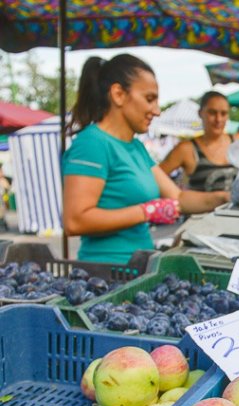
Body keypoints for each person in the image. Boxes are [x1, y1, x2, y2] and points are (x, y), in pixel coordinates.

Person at [62, 54, 228, 264]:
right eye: (150, 99)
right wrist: (146, 211)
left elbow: (177, 197)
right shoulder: (92, 143)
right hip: (105, 271)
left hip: (140, 266)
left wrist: (225, 198)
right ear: (118, 94)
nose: (157, 111)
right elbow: (75, 221)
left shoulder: (136, 147)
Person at [159, 91, 238, 193]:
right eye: (212, 113)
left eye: (223, 113)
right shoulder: (186, 149)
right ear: (200, 113)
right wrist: (175, 197)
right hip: (203, 209)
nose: (218, 119)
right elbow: (153, 180)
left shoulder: (238, 143)